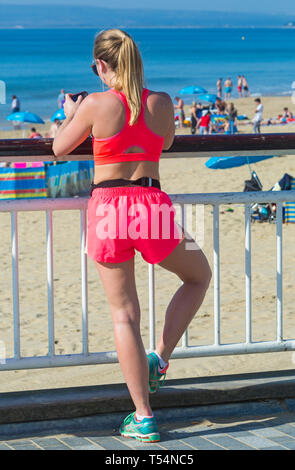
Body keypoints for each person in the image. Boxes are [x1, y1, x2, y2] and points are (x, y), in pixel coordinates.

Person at [52, 29, 211, 444]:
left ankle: (143, 416)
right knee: (199, 276)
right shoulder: (162, 102)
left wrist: (73, 111)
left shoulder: (95, 104)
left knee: (125, 314)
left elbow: (59, 148)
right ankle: (160, 357)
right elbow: (167, 140)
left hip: (108, 207)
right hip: (151, 201)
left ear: (101, 66)